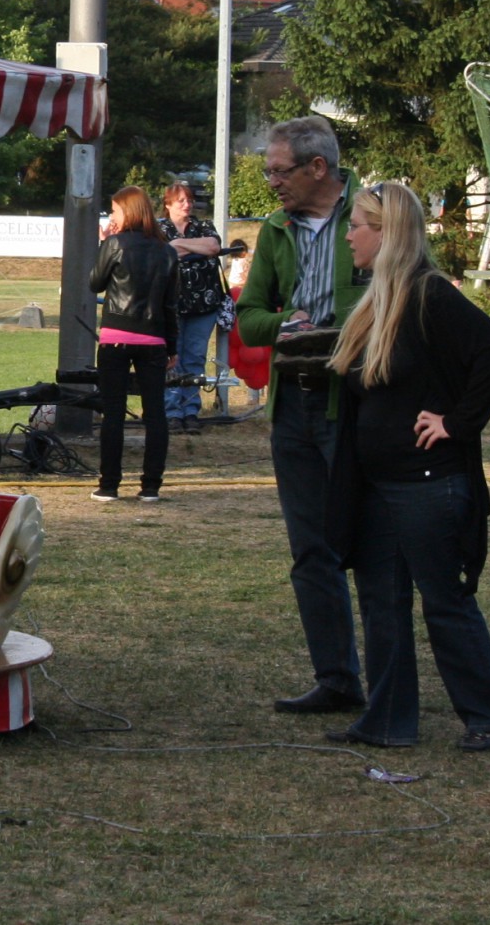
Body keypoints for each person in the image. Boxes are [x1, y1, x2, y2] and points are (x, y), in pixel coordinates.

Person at [322, 181, 490, 752]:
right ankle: (387, 720)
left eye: (358, 225)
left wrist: (457, 422)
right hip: (378, 485)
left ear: (387, 233)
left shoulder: (430, 294)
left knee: (444, 601)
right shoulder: (378, 301)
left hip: (428, 484)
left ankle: (488, 716)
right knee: (381, 604)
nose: (349, 236)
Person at [237, 115, 367, 715]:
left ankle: (391, 687)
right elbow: (249, 319)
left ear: (319, 167)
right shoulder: (273, 229)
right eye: (268, 171)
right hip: (294, 405)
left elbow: (415, 292)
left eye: (279, 171)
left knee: (371, 546)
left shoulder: (373, 216)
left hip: (356, 403)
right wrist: (285, 325)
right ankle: (336, 679)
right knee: (310, 549)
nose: (271, 182)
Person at [88, 186, 178, 502]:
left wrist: (105, 243)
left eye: (114, 210)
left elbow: (95, 283)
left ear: (127, 211)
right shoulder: (167, 251)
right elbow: (170, 304)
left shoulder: (115, 244)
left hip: (116, 335)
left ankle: (109, 485)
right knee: (155, 414)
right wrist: (172, 347)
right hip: (153, 337)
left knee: (113, 413)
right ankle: (151, 486)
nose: (112, 216)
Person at [160, 180, 227, 431]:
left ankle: (190, 411)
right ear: (168, 204)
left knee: (195, 358)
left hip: (204, 304)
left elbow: (213, 246)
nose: (187, 204)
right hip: (171, 305)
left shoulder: (203, 226)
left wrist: (179, 245)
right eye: (181, 200)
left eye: (189, 200)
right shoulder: (158, 229)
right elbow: (164, 254)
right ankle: (172, 411)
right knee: (172, 359)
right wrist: (193, 248)